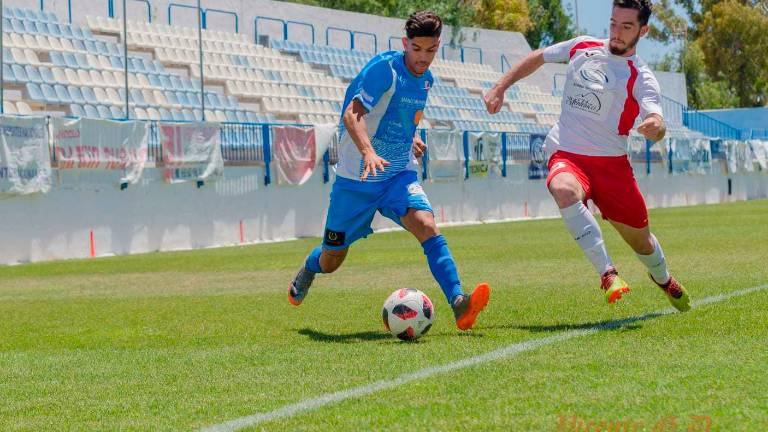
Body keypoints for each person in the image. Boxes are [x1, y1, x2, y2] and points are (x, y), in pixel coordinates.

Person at [288, 11, 491, 330]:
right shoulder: (385, 70)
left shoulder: (426, 80)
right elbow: (352, 115)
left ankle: (458, 302)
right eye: (417, 49)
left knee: (427, 225)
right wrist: (368, 152)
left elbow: (400, 117)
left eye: (431, 50)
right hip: (357, 180)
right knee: (332, 258)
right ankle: (309, 269)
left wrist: (412, 140)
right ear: (405, 44)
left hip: (397, 174)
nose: (423, 58)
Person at [483, 0, 690, 311]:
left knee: (643, 243)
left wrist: (654, 127)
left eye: (627, 26)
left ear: (643, 31)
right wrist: (501, 86)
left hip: (612, 168)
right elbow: (539, 56)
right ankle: (608, 274)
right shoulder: (583, 46)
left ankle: (663, 278)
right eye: (613, 24)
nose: (616, 33)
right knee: (564, 189)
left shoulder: (642, 76)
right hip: (567, 152)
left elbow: (657, 119)